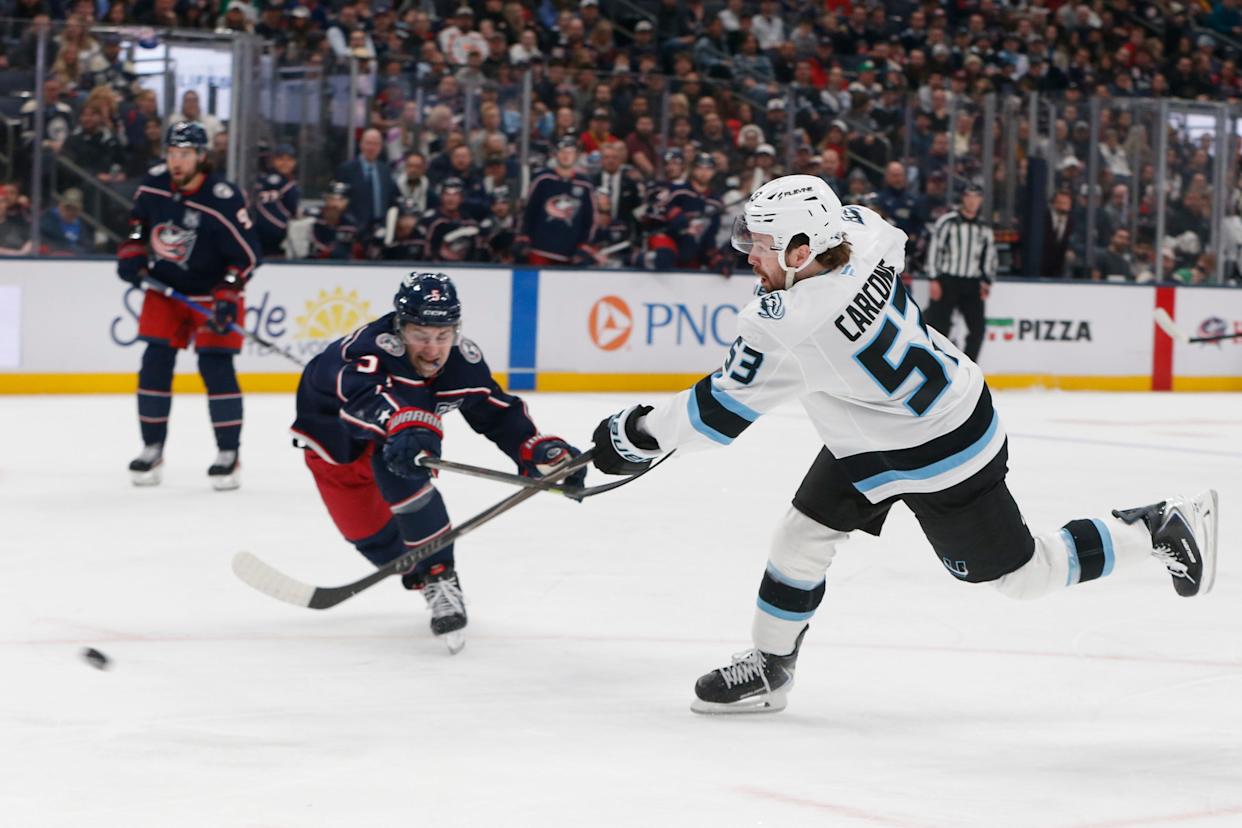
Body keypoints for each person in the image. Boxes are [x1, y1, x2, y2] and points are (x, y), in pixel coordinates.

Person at [588, 174, 1218, 714]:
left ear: (803, 251)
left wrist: (633, 435)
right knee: (801, 537)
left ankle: (1156, 528)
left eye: (760, 244)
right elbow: (880, 230)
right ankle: (770, 668)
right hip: (883, 428)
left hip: (941, 452)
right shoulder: (860, 237)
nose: (748, 255)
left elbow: (711, 418)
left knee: (1025, 576)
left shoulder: (794, 327)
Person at [290, 272, 586, 652]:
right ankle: (421, 569)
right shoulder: (366, 352)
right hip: (336, 449)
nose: (433, 349)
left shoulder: (462, 360)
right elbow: (364, 400)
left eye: (443, 335)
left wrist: (537, 450)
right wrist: (404, 424)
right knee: (375, 542)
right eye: (420, 335)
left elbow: (494, 412)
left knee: (400, 461)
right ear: (399, 328)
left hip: (393, 448)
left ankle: (439, 576)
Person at [116, 121, 261, 490]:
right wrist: (133, 248)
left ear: (201, 157)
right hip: (165, 290)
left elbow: (247, 255)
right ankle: (152, 447)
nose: (176, 162)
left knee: (215, 366)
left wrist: (229, 292)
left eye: (184, 154)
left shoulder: (223, 197)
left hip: (212, 294)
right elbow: (138, 222)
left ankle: (228, 453)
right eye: (171, 153)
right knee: (154, 363)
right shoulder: (153, 184)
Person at [924, 184, 995, 361]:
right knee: (938, 327)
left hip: (972, 282)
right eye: (968, 197)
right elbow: (935, 250)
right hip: (948, 280)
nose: (972, 201)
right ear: (963, 198)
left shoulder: (984, 227)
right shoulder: (947, 222)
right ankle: (936, 365)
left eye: (976, 197)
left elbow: (989, 256)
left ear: (981, 200)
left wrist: (986, 281)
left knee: (978, 328)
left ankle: (968, 368)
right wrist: (934, 278)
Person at [518, 136, 595, 266]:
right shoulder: (543, 179)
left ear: (576, 155)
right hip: (539, 250)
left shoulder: (585, 185)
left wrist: (585, 245)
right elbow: (528, 210)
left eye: (570, 152)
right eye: (562, 152)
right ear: (555, 154)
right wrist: (523, 236)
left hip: (570, 254)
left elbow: (590, 220)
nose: (566, 156)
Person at [252, 144, 300, 258]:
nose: (285, 163)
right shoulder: (273, 181)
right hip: (269, 240)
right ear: (273, 161)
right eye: (280, 159)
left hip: (275, 241)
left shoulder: (287, 182)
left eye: (289, 160)